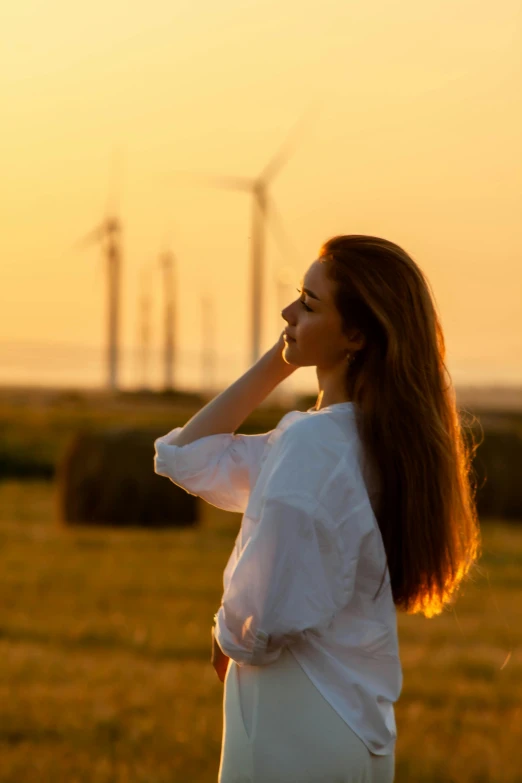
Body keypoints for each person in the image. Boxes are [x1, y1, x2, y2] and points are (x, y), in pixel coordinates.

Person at [153, 234, 481, 783]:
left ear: (355, 334)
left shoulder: (314, 446)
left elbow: (264, 615)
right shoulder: (359, 441)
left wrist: (225, 634)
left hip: (294, 716)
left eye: (307, 304)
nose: (286, 311)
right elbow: (184, 457)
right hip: (355, 724)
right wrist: (287, 352)